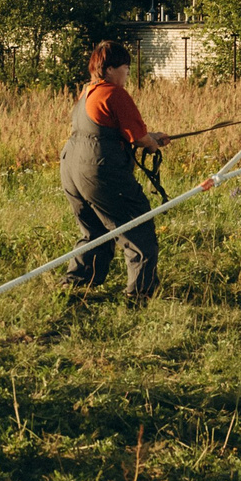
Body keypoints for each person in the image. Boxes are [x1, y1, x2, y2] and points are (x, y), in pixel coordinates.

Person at [59, 40, 172, 302]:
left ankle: (77, 283)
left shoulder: (87, 92)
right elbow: (138, 137)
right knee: (137, 225)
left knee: (95, 231)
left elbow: (113, 132)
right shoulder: (114, 93)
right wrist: (150, 141)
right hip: (100, 170)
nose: (127, 73)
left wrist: (150, 137)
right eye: (125, 67)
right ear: (109, 69)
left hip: (71, 166)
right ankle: (140, 293)